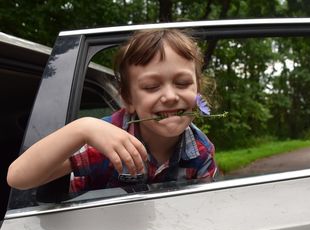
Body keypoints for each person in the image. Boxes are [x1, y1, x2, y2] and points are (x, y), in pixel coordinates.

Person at [7, 29, 218, 192]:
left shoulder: (201, 151)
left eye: (182, 83)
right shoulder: (105, 142)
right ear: (128, 99)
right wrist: (84, 128)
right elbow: (18, 178)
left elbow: (203, 209)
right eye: (151, 87)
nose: (171, 96)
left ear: (197, 90)